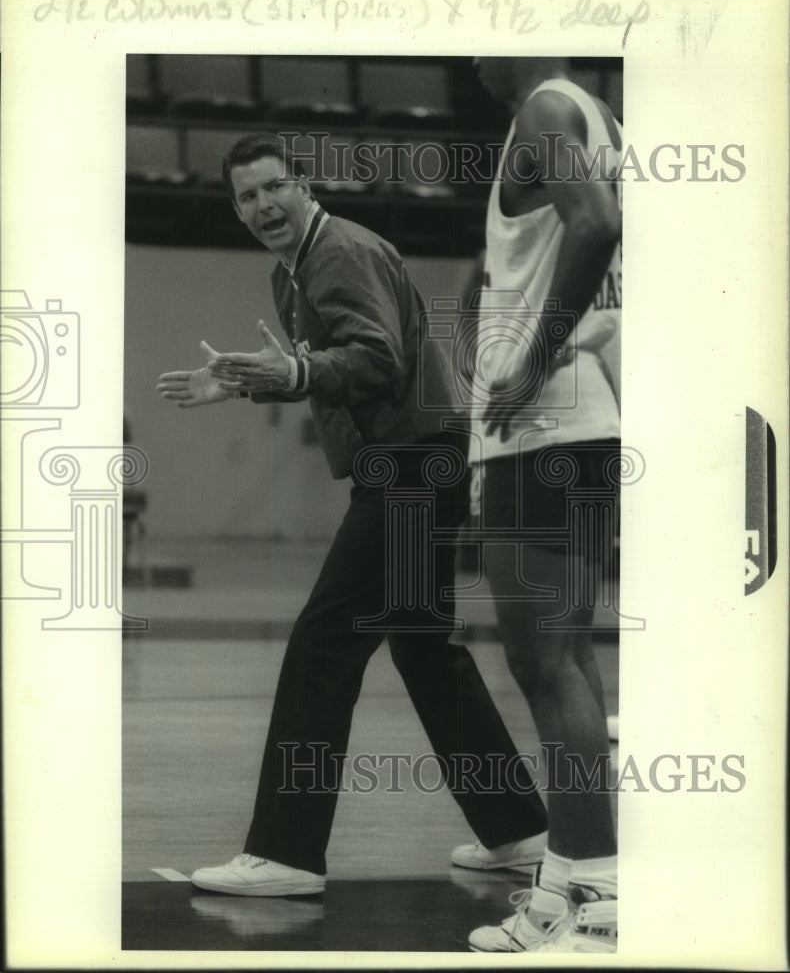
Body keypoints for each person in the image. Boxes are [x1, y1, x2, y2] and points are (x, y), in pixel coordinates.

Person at [157, 132, 548, 896]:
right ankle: (520, 832)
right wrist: (250, 382)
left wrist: (296, 371)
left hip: (407, 466)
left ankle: (287, 854)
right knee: (425, 651)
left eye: (274, 187)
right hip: (414, 460)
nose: (263, 204)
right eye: (246, 196)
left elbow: (378, 359)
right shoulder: (294, 270)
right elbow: (334, 371)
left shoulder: (339, 250)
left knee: (321, 645)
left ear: (303, 185)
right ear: (236, 209)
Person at [461, 58, 623, 953]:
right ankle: (571, 886)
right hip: (582, 416)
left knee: (546, 665)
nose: (469, 60)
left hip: (547, 422)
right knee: (567, 664)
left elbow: (598, 224)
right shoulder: (597, 111)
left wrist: (527, 359)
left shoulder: (544, 109)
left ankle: (599, 901)